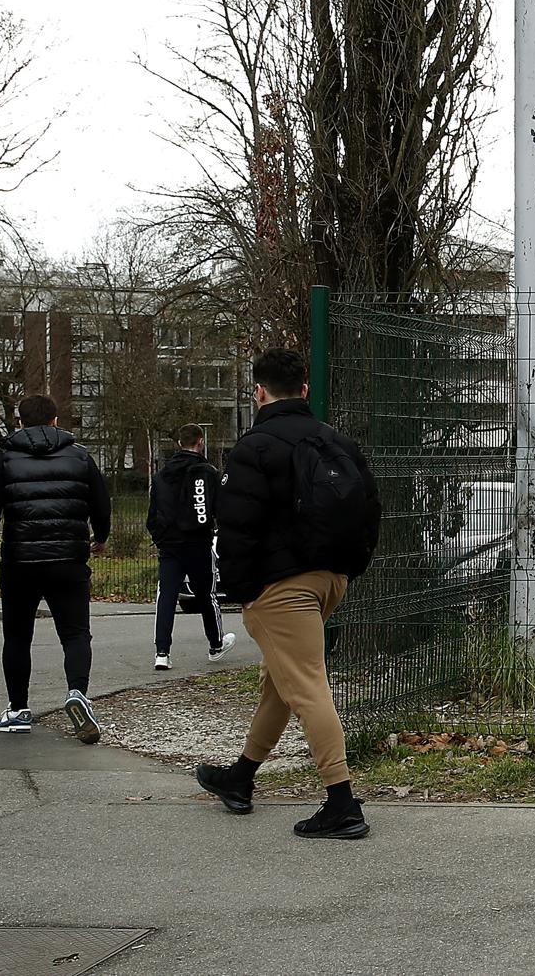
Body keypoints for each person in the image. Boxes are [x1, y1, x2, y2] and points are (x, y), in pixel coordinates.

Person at [195, 349, 381, 840]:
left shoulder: (254, 445)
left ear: (258, 391)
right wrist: (350, 567)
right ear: (304, 389)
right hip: (331, 579)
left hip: (281, 586)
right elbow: (371, 507)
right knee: (280, 681)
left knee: (305, 685)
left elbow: (236, 525)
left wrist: (243, 591)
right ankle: (241, 777)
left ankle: (342, 803)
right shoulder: (334, 440)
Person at [0, 395, 112, 743]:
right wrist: (100, 537)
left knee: (17, 636)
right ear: (56, 421)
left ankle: (18, 710)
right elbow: (101, 506)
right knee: (75, 634)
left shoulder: (4, 460)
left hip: (20, 563)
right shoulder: (80, 457)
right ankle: (77, 694)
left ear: (20, 423)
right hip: (68, 560)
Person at [147, 423, 235, 670]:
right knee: (206, 594)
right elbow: (219, 508)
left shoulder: (162, 474)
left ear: (178, 443)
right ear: (200, 442)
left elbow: (152, 515)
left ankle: (162, 652)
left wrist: (160, 537)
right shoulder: (207, 472)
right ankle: (215, 644)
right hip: (198, 541)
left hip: (170, 545)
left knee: (166, 596)